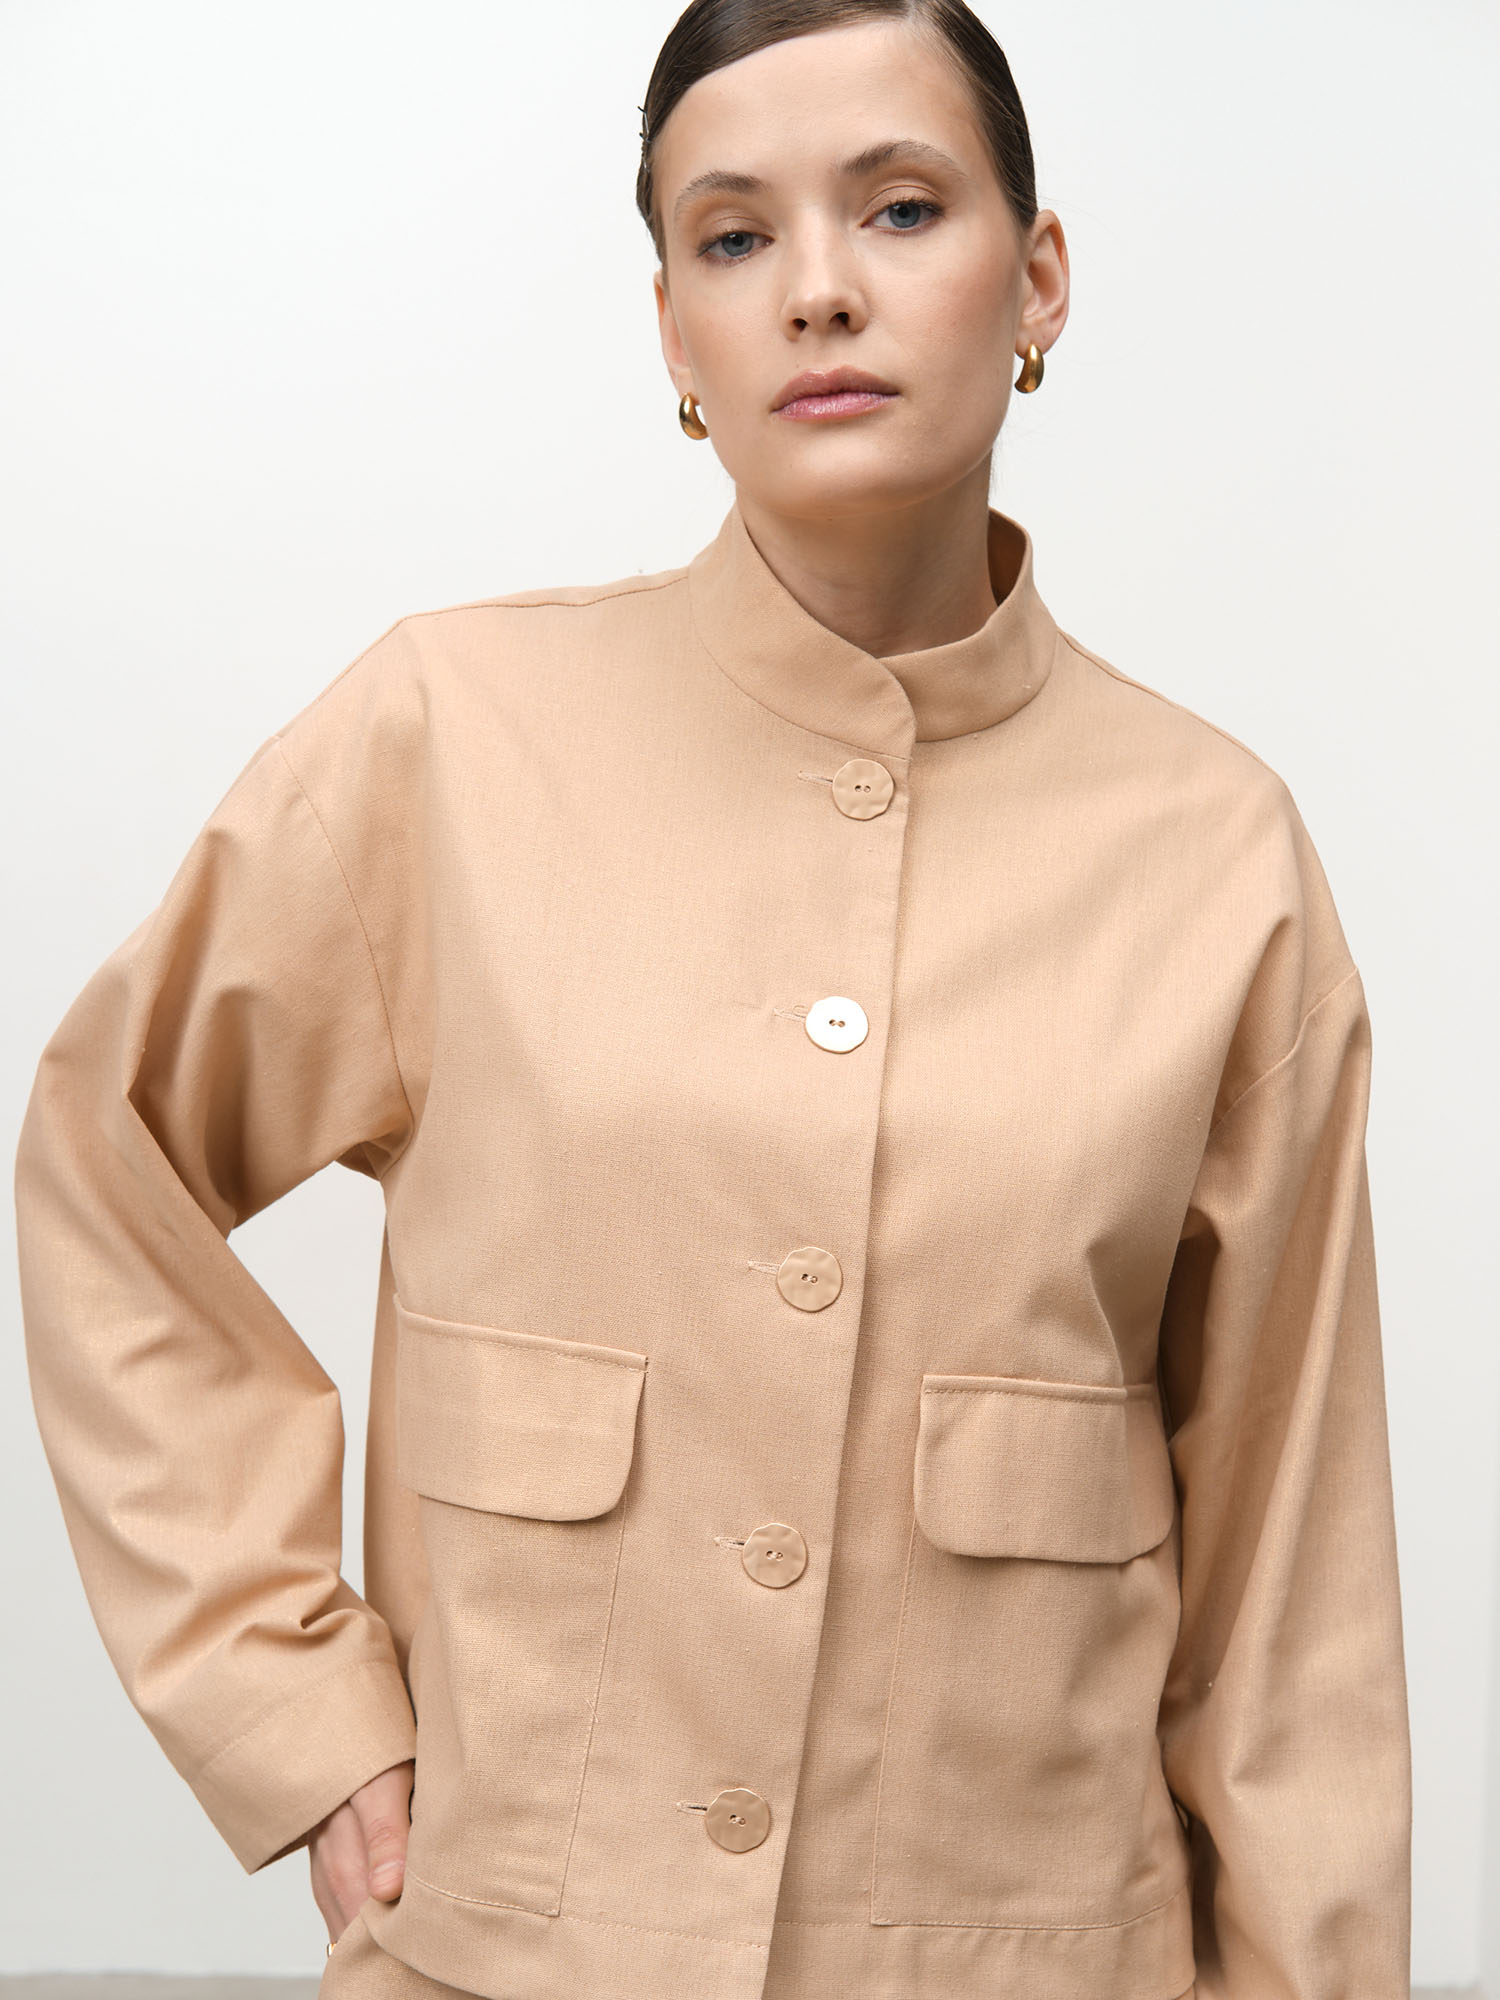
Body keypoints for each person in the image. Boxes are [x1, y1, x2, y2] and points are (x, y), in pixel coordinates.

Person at [13, 1, 1412, 1996]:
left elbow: (1294, 1590)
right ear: (675, 331)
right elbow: (107, 1165)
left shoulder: (1217, 856)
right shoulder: (447, 740)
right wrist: (294, 1709)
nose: (817, 290)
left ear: (1037, 279)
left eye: (901, 208)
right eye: (735, 237)